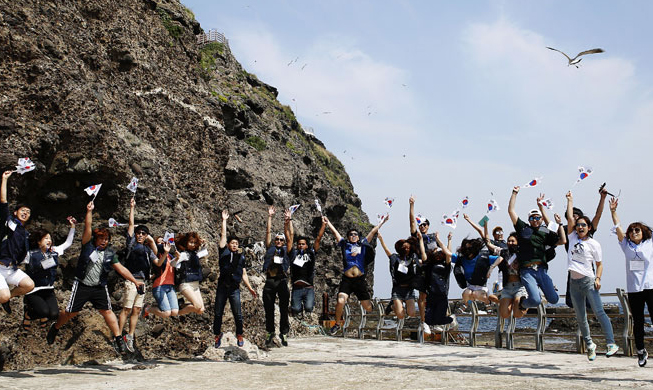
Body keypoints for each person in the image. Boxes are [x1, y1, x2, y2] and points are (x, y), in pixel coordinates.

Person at [47, 201, 144, 355]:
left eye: (107, 239)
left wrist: (135, 281)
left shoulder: (110, 254)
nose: (105, 241)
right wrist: (89, 211)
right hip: (83, 285)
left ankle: (118, 339)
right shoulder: (87, 246)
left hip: (99, 286)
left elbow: (121, 269)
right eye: (102, 238)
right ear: (96, 239)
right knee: (71, 313)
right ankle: (56, 327)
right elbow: (88, 226)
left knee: (108, 312)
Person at [565, 191, 619, 361]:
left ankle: (611, 343)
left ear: (589, 228)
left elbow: (599, 264)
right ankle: (590, 345)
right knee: (580, 317)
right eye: (578, 224)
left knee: (599, 312)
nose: (580, 227)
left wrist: (598, 279)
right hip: (573, 283)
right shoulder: (572, 236)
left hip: (588, 282)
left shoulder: (594, 243)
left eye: (584, 225)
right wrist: (570, 200)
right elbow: (570, 219)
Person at [326, 215, 386, 335]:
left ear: (358, 237)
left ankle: (372, 304)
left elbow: (373, 232)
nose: (353, 236)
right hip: (347, 280)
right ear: (348, 237)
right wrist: (328, 222)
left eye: (355, 234)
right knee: (341, 300)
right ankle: (337, 324)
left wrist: (383, 222)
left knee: (368, 308)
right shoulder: (344, 244)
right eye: (351, 234)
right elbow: (335, 232)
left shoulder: (363, 244)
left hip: (359, 280)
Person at [610, 197, 652, 367]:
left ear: (643, 232)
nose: (634, 232)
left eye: (637, 230)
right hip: (634, 289)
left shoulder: (650, 243)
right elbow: (618, 227)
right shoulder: (626, 245)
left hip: (650, 286)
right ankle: (641, 351)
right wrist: (613, 211)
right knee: (638, 321)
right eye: (632, 230)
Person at [508, 186, 566, 309]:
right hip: (527, 270)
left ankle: (540, 289)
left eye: (537, 217)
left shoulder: (545, 231)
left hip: (541, 269)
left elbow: (563, 240)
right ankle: (522, 304)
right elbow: (511, 211)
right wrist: (514, 193)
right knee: (535, 301)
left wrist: (560, 224)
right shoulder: (523, 228)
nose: (535, 220)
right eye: (532, 218)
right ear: (529, 219)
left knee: (554, 299)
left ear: (541, 219)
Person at [118, 198, 157, 353]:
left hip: (142, 282)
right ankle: (118, 336)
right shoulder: (131, 244)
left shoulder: (147, 250)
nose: (140, 234)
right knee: (126, 309)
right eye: (139, 233)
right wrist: (132, 207)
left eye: (143, 233)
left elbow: (157, 258)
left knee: (136, 310)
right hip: (130, 280)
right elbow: (130, 224)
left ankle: (130, 336)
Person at [21, 218, 75, 330]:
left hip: (48, 289)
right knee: (43, 312)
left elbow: (68, 243)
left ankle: (41, 314)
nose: (49, 240)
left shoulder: (54, 251)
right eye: (46, 238)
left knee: (54, 314)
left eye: (50, 238)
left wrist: (73, 227)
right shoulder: (29, 255)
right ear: (38, 241)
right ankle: (28, 314)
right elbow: (14, 260)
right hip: (34, 290)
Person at [214, 210, 257, 348]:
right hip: (222, 286)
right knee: (218, 313)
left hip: (234, 288)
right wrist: (224, 221)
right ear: (228, 244)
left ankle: (239, 334)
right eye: (232, 243)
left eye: (236, 244)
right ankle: (217, 335)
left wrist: (250, 288)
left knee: (238, 314)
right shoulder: (223, 252)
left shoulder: (241, 257)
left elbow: (243, 274)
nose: (234, 245)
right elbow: (223, 236)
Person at [0, 171, 35, 313]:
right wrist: (4, 179)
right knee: (4, 295)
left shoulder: (25, 234)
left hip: (11, 268)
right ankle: (4, 298)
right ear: (15, 212)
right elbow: (3, 202)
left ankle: (7, 298)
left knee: (29, 285)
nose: (25, 213)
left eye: (28, 212)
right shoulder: (8, 223)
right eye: (22, 210)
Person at [377, 231, 425, 320]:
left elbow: (422, 260)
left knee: (411, 314)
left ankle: (394, 306)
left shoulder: (413, 258)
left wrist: (421, 240)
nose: (406, 249)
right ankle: (392, 307)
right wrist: (381, 239)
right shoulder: (395, 258)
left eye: (408, 247)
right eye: (404, 247)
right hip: (398, 289)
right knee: (401, 315)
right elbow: (387, 251)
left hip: (409, 290)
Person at [262, 206, 292, 347]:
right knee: (269, 308)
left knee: (284, 308)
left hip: (282, 281)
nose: (279, 241)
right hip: (270, 280)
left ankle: (284, 332)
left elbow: (290, 236)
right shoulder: (270, 248)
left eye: (281, 240)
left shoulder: (287, 250)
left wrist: (288, 220)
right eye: (277, 240)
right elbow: (268, 232)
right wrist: (270, 217)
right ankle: (270, 331)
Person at [287, 215, 327, 318]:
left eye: (303, 244)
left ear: (307, 245)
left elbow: (318, 238)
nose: (301, 246)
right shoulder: (293, 253)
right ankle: (299, 313)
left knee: (309, 308)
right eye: (299, 244)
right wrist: (287, 222)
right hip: (296, 287)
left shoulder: (311, 253)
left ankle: (307, 310)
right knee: (295, 308)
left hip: (308, 287)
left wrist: (324, 224)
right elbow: (289, 238)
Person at [408, 196, 437, 335]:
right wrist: (412, 205)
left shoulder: (432, 237)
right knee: (422, 296)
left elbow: (436, 252)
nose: (422, 226)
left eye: (425, 224)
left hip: (432, 268)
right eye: (421, 224)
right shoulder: (416, 235)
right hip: (420, 268)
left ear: (428, 226)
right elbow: (412, 221)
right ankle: (423, 321)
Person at [422, 232, 455, 326]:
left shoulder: (446, 266)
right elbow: (424, 254)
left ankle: (451, 319)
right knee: (428, 320)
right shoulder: (429, 265)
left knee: (439, 320)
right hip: (431, 294)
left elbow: (449, 254)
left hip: (442, 294)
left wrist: (447, 240)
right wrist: (421, 240)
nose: (437, 255)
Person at [143, 240, 179, 320]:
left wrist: (178, 258)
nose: (163, 244)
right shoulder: (156, 255)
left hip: (170, 286)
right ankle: (147, 308)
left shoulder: (171, 256)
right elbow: (152, 242)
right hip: (159, 286)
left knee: (175, 312)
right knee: (166, 313)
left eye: (164, 242)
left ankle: (156, 305)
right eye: (160, 243)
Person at [173, 232, 207, 316]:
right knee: (198, 306)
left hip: (195, 284)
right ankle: (176, 311)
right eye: (191, 242)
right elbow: (172, 264)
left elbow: (205, 252)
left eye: (195, 243)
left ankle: (180, 306)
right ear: (186, 243)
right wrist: (177, 258)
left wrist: (204, 243)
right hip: (186, 284)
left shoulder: (196, 254)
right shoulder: (184, 254)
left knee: (201, 310)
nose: (193, 245)